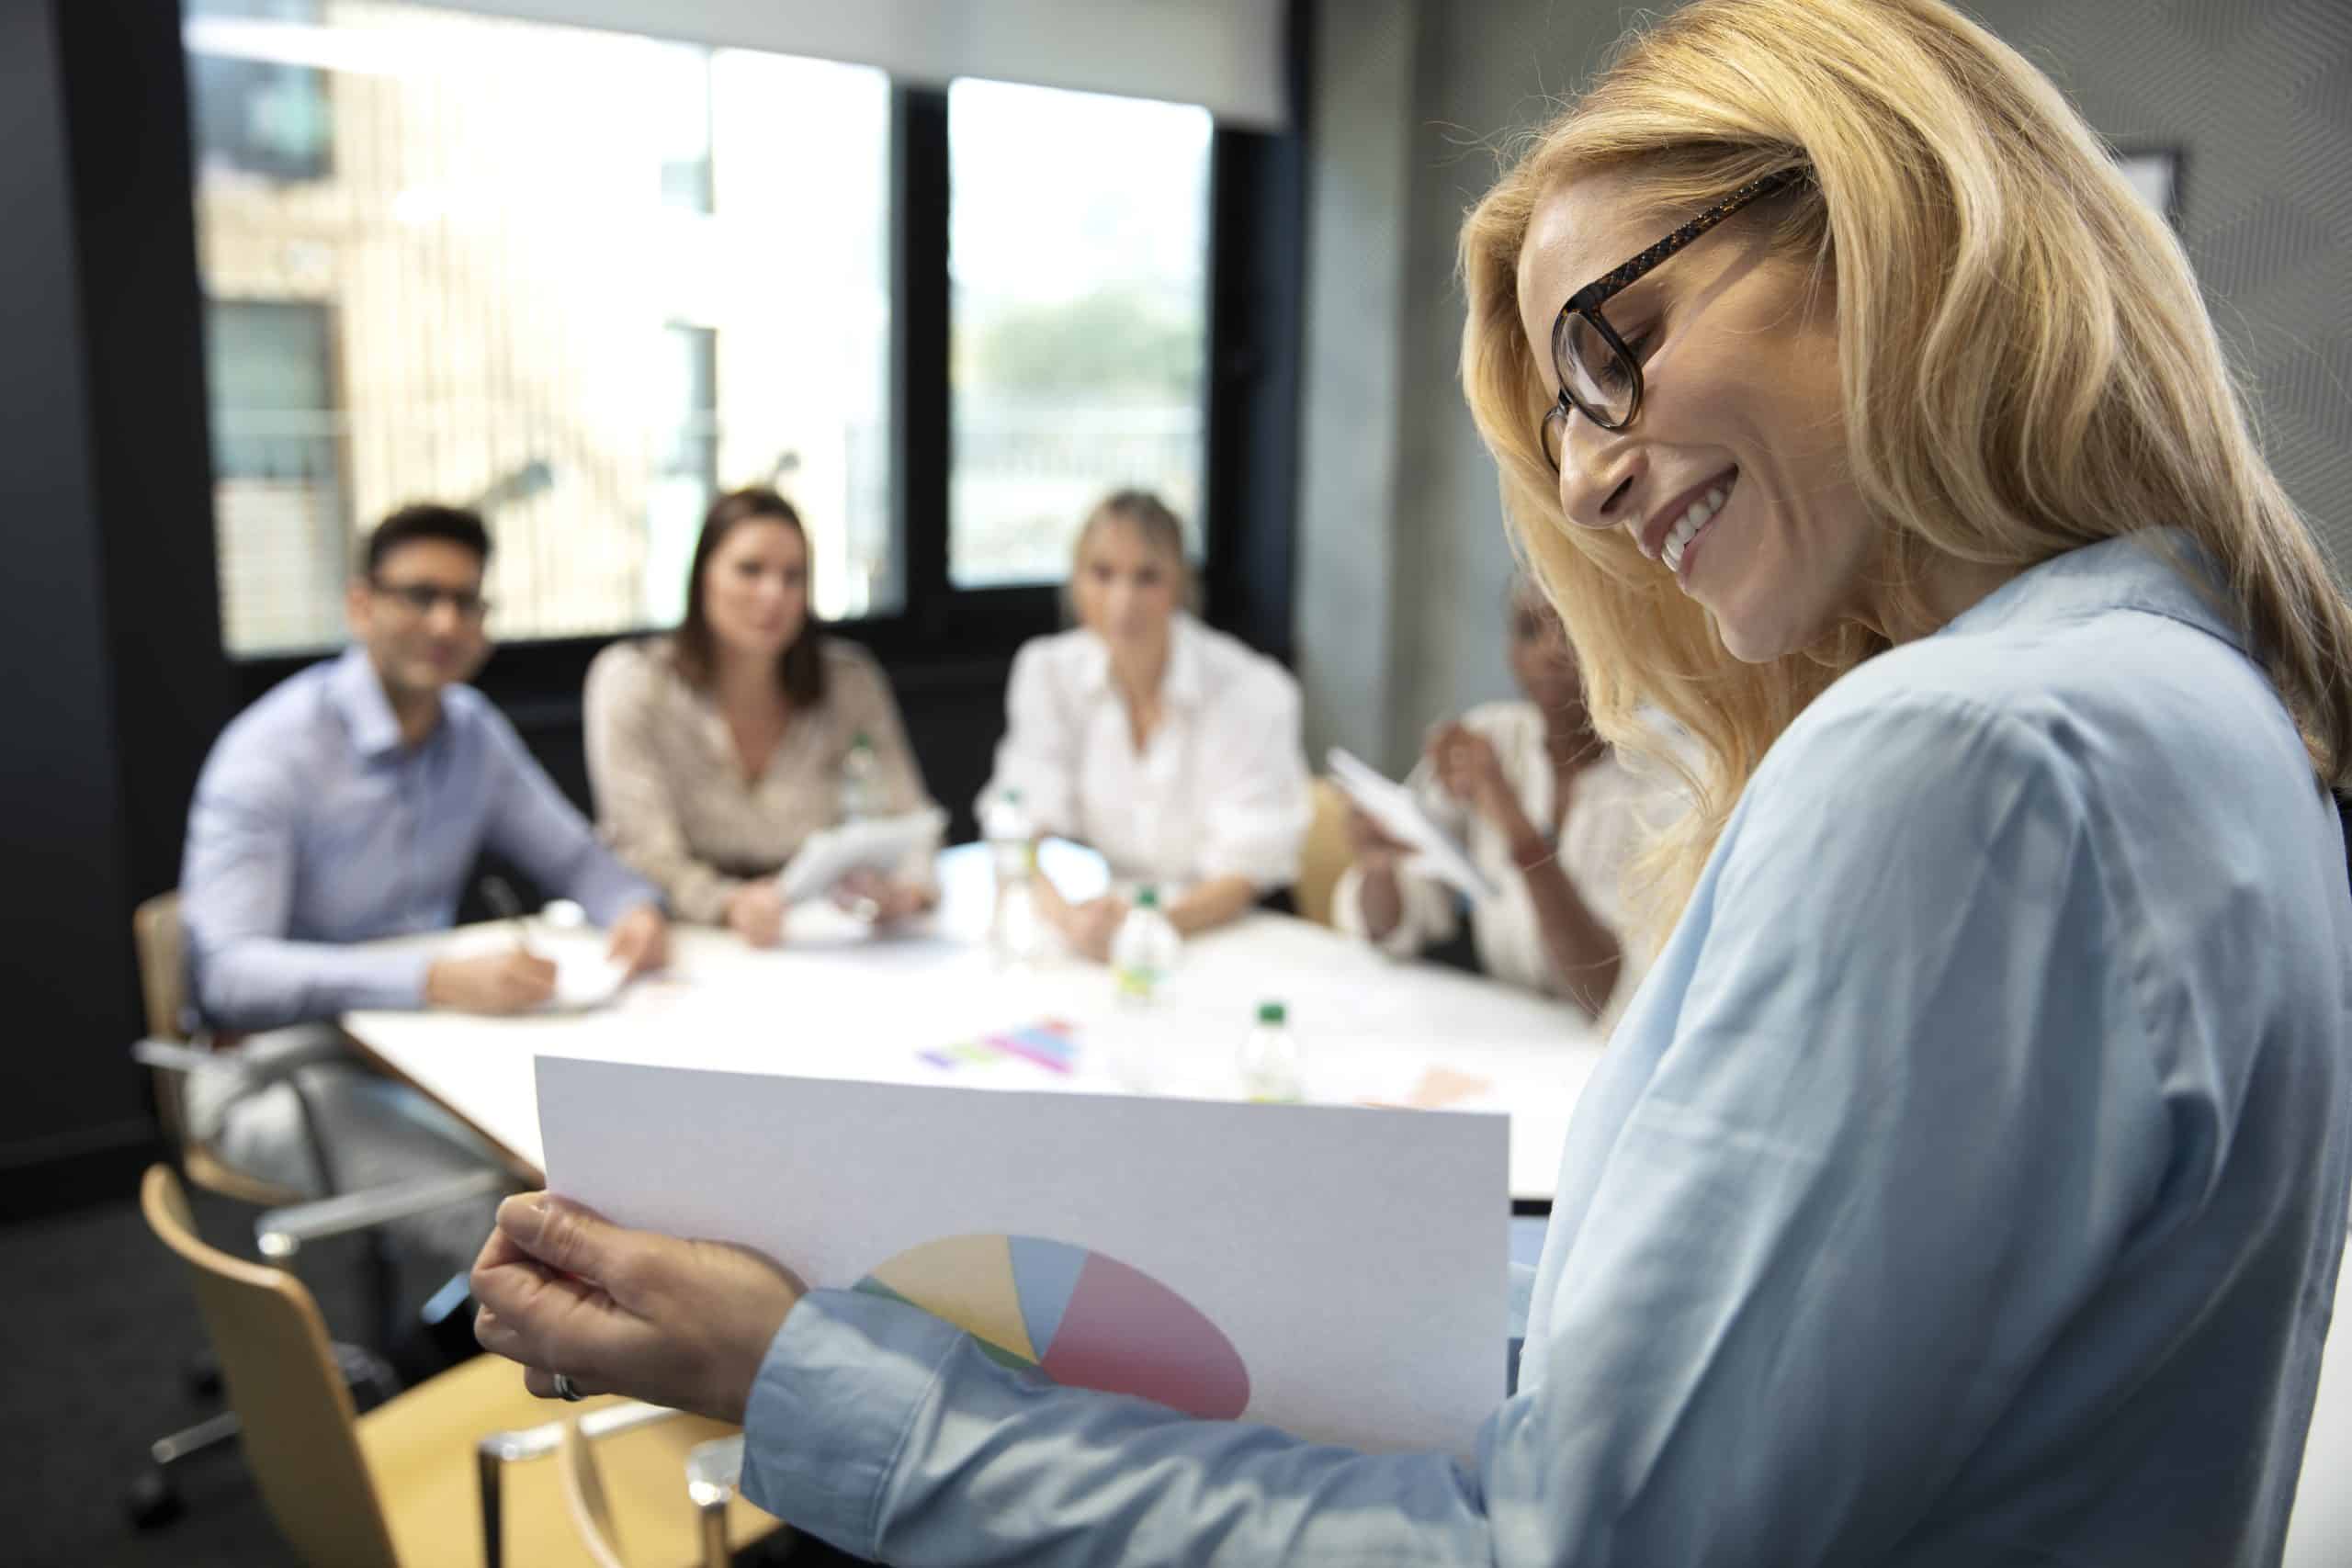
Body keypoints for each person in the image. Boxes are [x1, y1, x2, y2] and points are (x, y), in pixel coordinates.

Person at [470, 2, 2352, 1562]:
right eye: (1559, 427)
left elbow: (1563, 1544)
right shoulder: (2190, 700)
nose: (1596, 478)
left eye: (1605, 353)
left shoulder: (1962, 761)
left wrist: (828, 1379)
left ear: (1881, 212)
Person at [181, 502, 667, 1281]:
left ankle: (456, 1339)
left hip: (421, 1044)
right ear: (360, 604)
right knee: (511, 1223)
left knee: (605, 1164)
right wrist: (431, 979)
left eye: (467, 601)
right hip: (276, 1073)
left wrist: (636, 907)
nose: (446, 621)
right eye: (420, 595)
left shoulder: (470, 730)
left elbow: (580, 861)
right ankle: (449, 1376)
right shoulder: (270, 752)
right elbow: (229, 978)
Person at [583, 488, 939, 947]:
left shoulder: (848, 679)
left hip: (820, 929)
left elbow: (912, 822)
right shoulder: (635, 681)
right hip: (685, 936)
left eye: (793, 577)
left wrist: (907, 891)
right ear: (702, 577)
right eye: (749, 570)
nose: (773, 594)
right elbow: (641, 852)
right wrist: (728, 902)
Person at [978, 489, 1310, 960]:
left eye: (1147, 577)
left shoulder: (1251, 689)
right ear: (1074, 581)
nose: (1122, 601)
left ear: (1180, 584)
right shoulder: (1048, 672)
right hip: (1109, 927)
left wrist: (1147, 929)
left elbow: (1247, 869)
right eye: (1102, 573)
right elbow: (1019, 826)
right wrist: (1069, 918)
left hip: (1229, 931)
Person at [1335, 576, 1664, 1024]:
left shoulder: (1672, 777)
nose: (1549, 650)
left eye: (1573, 629)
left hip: (1603, 1052)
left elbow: (1608, 996)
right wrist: (1379, 862)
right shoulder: (1493, 738)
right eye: (1529, 631)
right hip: (1503, 1030)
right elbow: (1395, 925)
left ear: (1623, 640)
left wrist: (1520, 833)